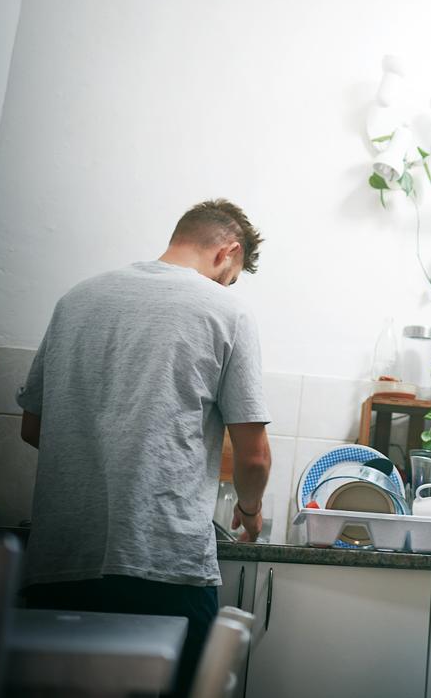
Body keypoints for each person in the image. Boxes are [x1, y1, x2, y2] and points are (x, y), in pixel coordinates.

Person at [17, 199, 272, 697]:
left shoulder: (76, 299)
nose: (225, 287)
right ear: (228, 251)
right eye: (230, 277)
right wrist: (250, 509)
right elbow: (254, 456)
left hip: (59, 562)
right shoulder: (228, 311)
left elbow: (32, 427)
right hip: (164, 565)